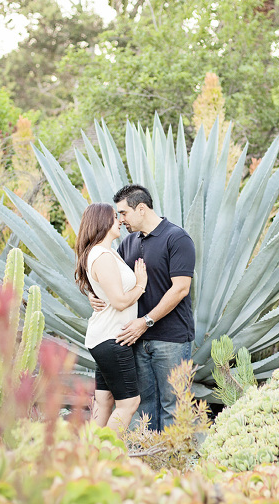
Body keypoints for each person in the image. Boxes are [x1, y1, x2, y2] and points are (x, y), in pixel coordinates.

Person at [90, 184, 196, 432]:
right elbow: (111, 280)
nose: (120, 219)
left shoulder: (177, 238)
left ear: (141, 209)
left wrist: (146, 321)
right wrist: (93, 297)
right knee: (145, 409)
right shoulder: (128, 243)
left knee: (174, 406)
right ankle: (149, 457)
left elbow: (181, 288)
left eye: (123, 213)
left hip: (171, 339)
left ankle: (174, 457)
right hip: (135, 339)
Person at [75, 202, 148, 431]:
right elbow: (119, 301)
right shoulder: (102, 256)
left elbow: (105, 292)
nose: (120, 221)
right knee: (129, 403)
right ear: (103, 222)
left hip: (104, 338)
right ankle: (107, 450)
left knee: (104, 401)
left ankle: (89, 450)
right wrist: (141, 285)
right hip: (112, 339)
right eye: (115, 217)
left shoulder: (103, 253)